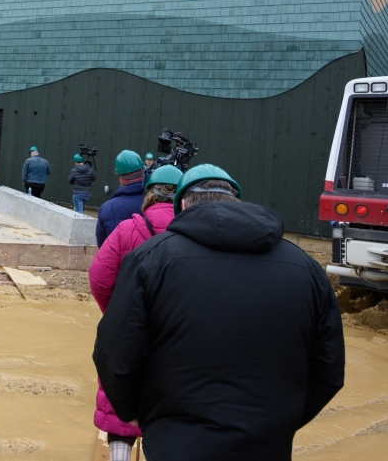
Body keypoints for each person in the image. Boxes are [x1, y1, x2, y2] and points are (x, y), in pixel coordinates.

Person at [93, 164, 345, 461]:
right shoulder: (305, 268)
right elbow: (328, 368)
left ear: (183, 205)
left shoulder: (150, 260)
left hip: (174, 444)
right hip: (267, 445)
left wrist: (140, 415)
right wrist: (279, 422)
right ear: (235, 200)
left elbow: (113, 355)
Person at [87, 164, 182, 461]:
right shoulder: (194, 233)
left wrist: (116, 314)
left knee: (120, 397)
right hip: (178, 333)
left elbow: (99, 278)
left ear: (149, 193)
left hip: (130, 329)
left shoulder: (128, 228)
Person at [95, 150, 145, 248]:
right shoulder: (156, 201)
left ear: (120, 177)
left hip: (120, 262)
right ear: (143, 171)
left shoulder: (107, 208)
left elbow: (102, 246)